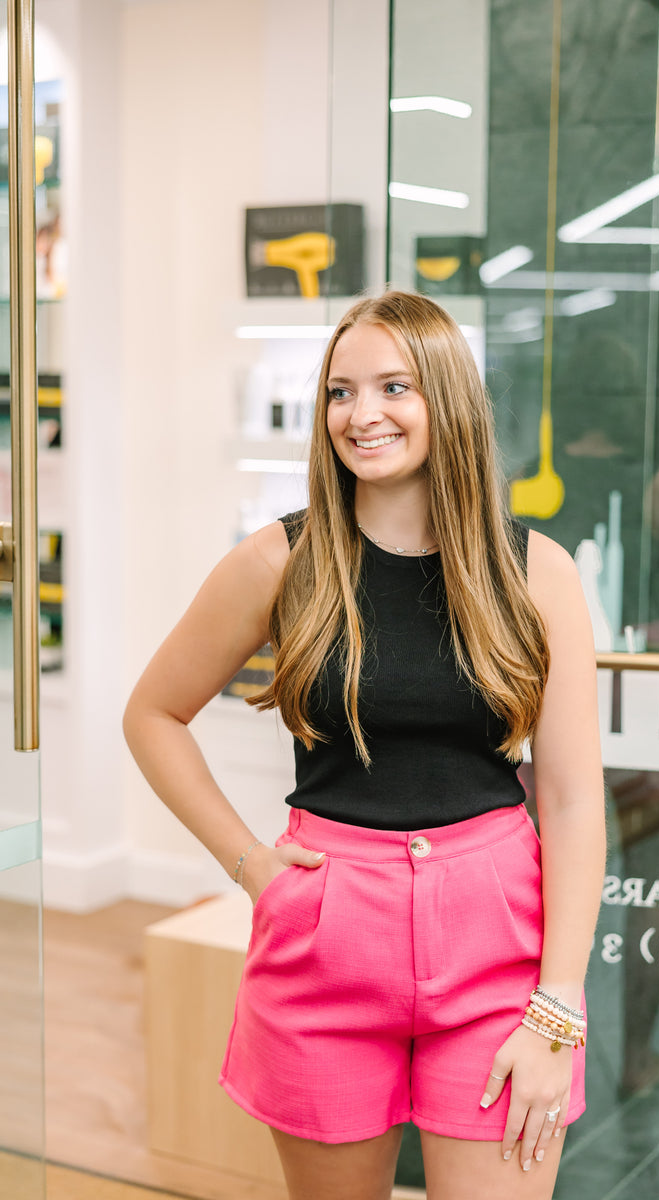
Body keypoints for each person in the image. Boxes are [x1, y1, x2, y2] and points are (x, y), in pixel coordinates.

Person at [123, 290, 606, 1200]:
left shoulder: (537, 572)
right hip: (326, 940)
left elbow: (576, 802)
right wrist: (251, 868)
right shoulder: (279, 561)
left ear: (449, 401)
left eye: (394, 386)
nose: (362, 413)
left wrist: (559, 1004)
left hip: (496, 940)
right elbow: (152, 714)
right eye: (341, 392)